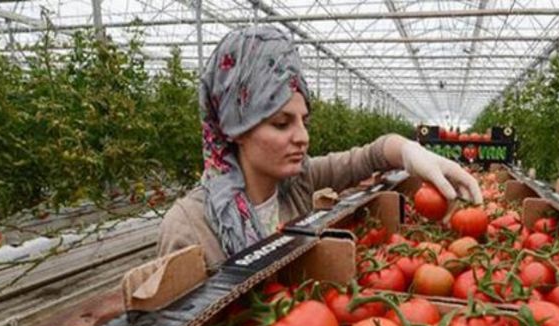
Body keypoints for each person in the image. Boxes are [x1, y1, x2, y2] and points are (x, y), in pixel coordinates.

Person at [158, 26, 482, 270]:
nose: (302, 137)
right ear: (235, 128)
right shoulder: (189, 226)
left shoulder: (297, 181)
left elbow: (373, 155)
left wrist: (414, 153)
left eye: (304, 122)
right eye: (282, 124)